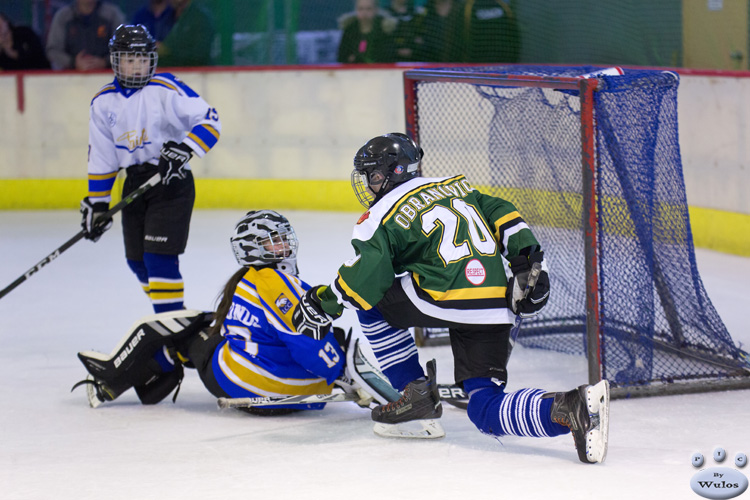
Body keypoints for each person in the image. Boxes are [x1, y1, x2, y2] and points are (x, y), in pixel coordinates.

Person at [292, 133, 610, 462]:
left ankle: (414, 393)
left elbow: (365, 280)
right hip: (496, 306)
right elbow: (504, 212)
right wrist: (526, 260)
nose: (369, 185)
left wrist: (322, 302)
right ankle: (572, 407)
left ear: (395, 172)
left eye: (373, 176)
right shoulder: (458, 188)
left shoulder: (381, 214)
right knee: (484, 407)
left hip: (445, 298)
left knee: (371, 304)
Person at [73, 210, 373, 415]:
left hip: (244, 383)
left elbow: (301, 335)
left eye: (284, 237)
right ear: (253, 249)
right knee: (202, 328)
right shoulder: (277, 283)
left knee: (189, 333)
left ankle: (120, 380)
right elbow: (308, 339)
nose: (284, 245)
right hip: (284, 387)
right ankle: (141, 372)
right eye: (274, 240)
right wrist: (339, 372)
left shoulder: (248, 280)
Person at [80, 24, 221, 313]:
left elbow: (210, 120)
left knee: (158, 258)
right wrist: (97, 204)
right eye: (130, 60)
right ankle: (176, 320)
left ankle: (171, 329)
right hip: (134, 184)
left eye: (143, 59)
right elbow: (103, 159)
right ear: (116, 61)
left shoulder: (165, 88)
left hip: (170, 181)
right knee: (137, 262)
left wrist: (184, 149)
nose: (137, 67)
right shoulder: (102, 102)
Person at [45, 0, 125, 70]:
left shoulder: (112, 15)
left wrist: (105, 61)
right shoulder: (63, 17)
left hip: (107, 76)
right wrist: (73, 62)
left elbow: (124, 47)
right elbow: (53, 50)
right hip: (69, 78)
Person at [157, 0, 214, 67]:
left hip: (198, 73)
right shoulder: (166, 17)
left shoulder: (201, 17)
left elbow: (200, 55)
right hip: (171, 72)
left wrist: (168, 51)